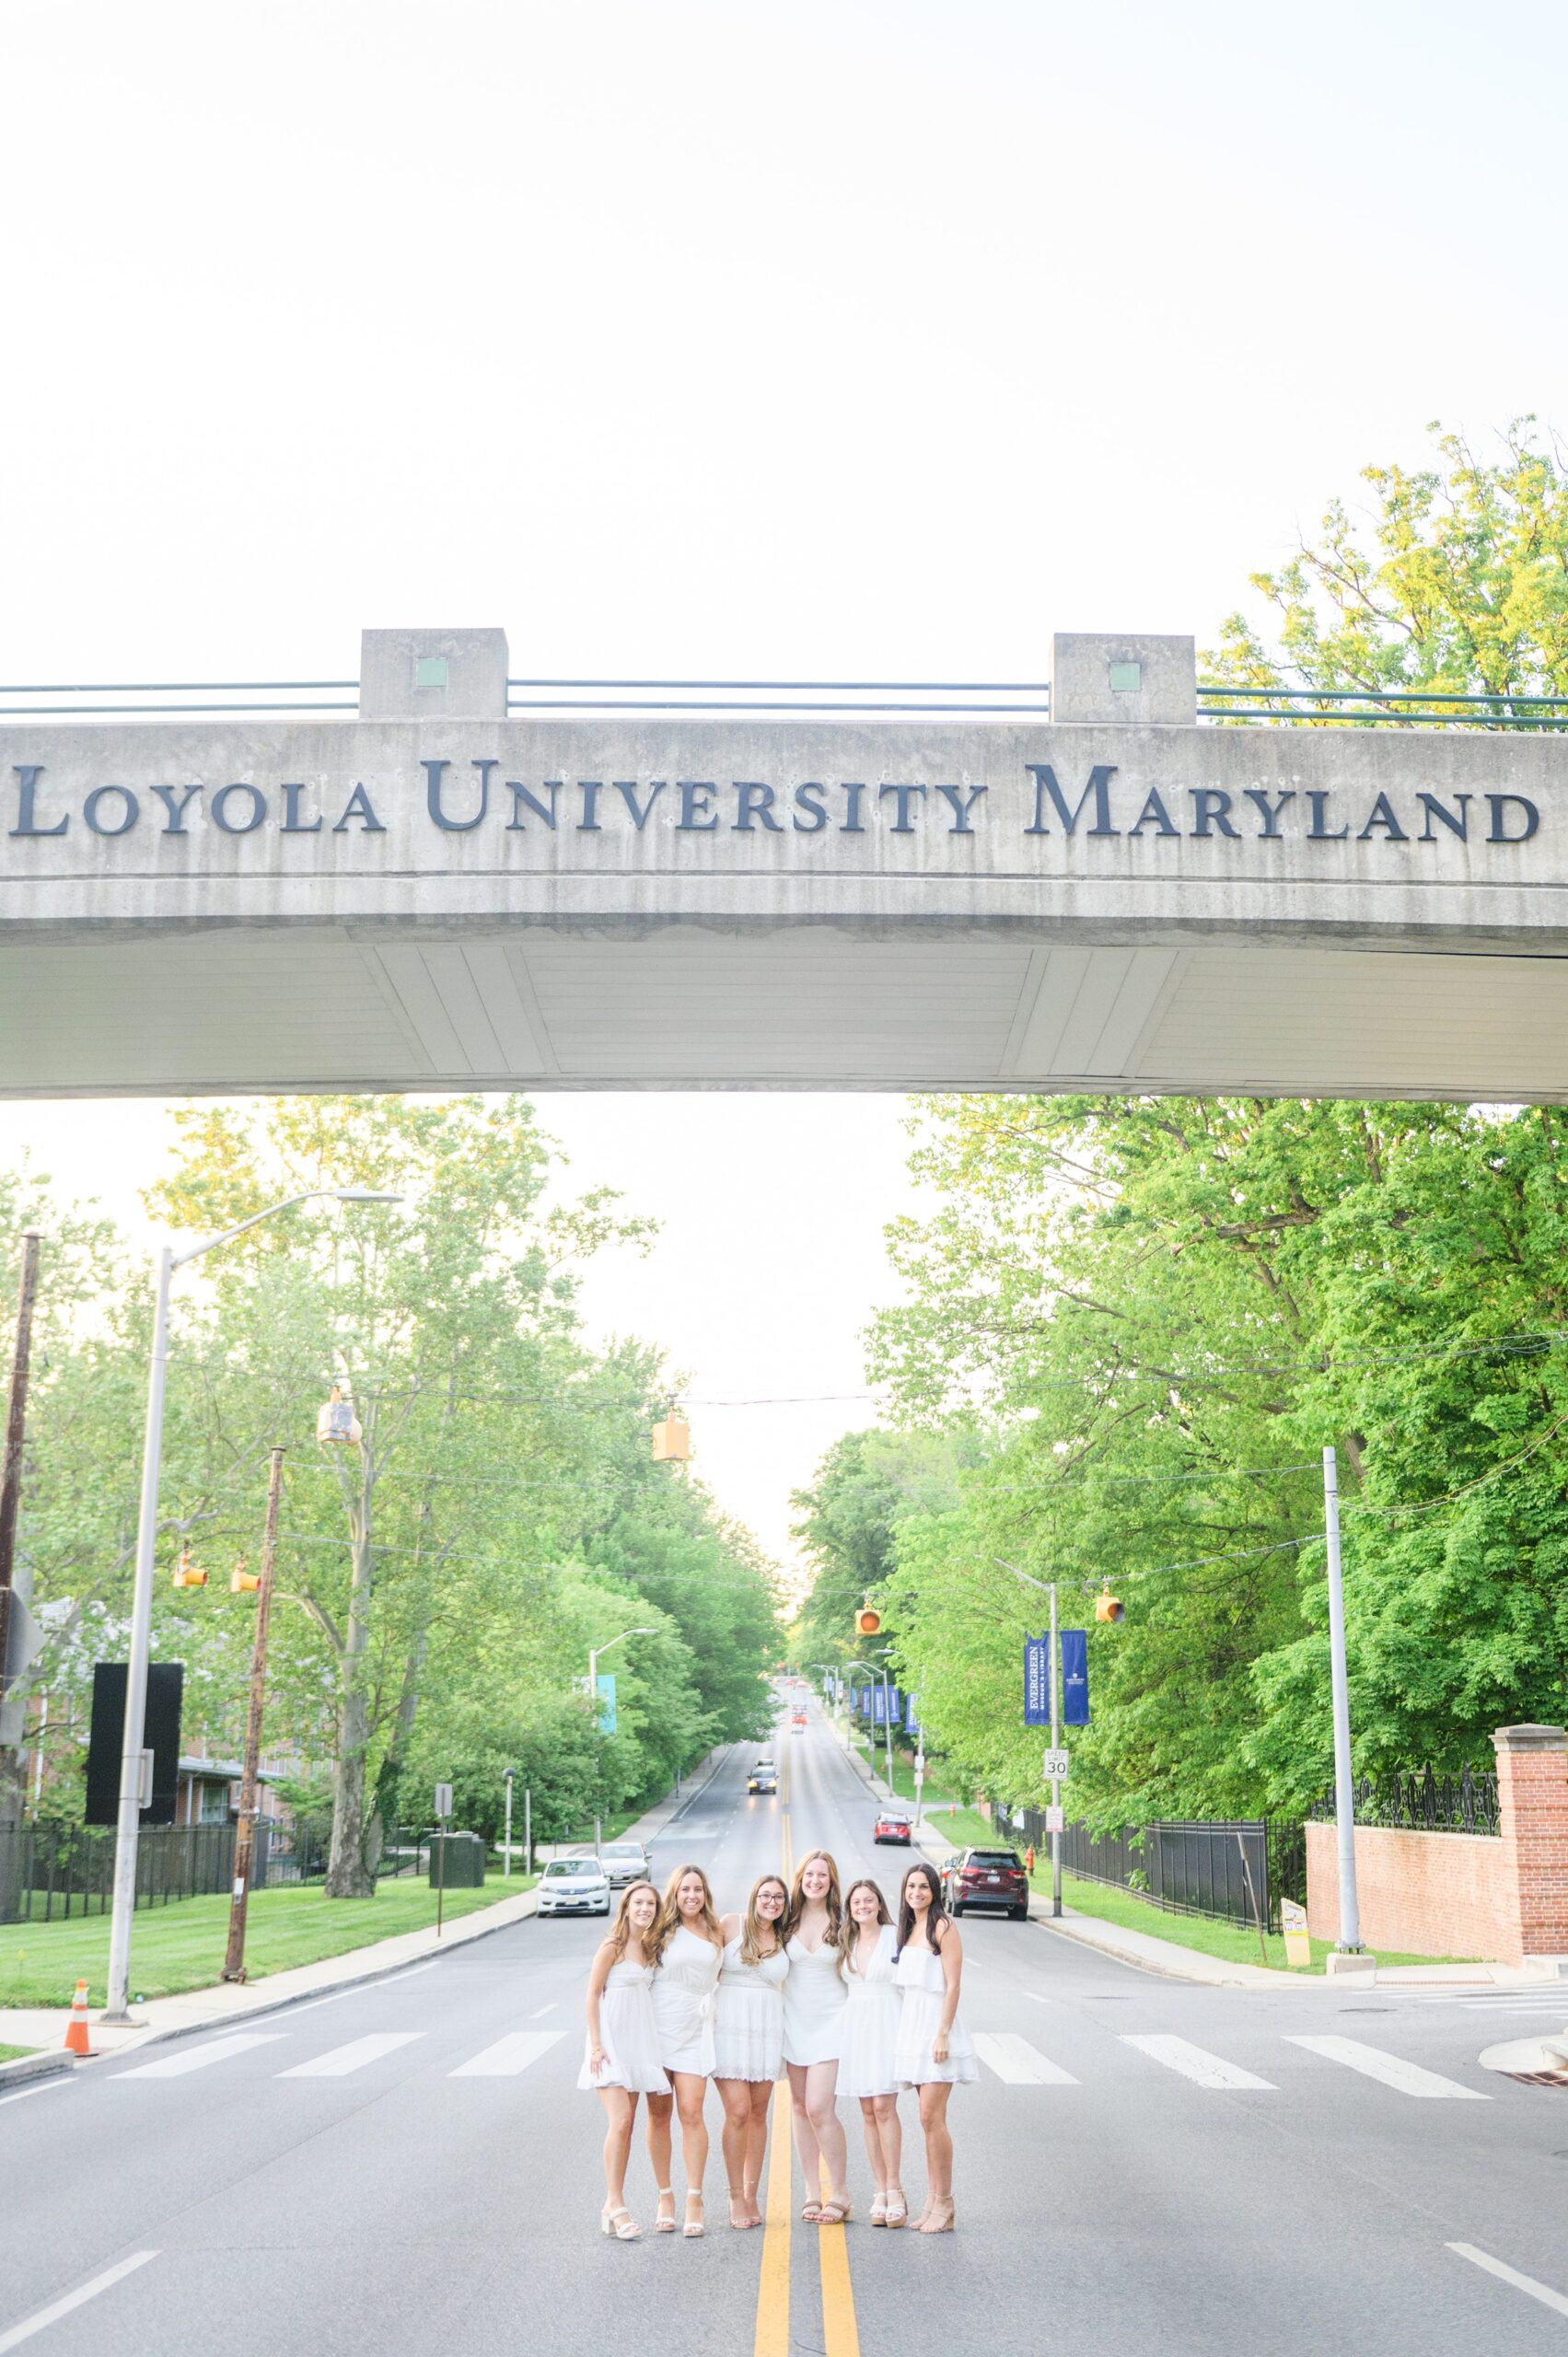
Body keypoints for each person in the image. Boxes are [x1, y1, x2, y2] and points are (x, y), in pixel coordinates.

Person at [578, 1879, 670, 2239]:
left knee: (629, 2124)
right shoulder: (612, 1947)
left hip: (638, 2044)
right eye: (639, 1903)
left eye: (651, 1904)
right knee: (621, 2120)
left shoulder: (648, 1947)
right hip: (610, 2044)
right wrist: (597, 2045)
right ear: (626, 1907)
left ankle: (611, 2204)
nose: (645, 1909)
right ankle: (615, 2204)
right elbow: (591, 1995)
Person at [893, 1861, 976, 2233]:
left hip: (937, 2030)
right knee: (924, 2121)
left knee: (932, 2118)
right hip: (913, 2029)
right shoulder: (908, 1928)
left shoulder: (943, 1927)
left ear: (934, 1891)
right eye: (911, 1887)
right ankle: (931, 2200)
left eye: (923, 1887)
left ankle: (945, 2202)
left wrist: (942, 2033)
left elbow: (954, 1984)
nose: (916, 1893)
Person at [647, 1861, 725, 2237]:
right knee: (658, 2116)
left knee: (692, 2112)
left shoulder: (716, 1931)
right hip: (659, 2026)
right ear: (674, 1894)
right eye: (685, 1890)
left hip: (696, 2028)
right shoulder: (658, 1930)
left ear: (705, 1894)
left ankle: (695, 2197)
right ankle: (666, 2196)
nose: (691, 1896)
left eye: (697, 1890)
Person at [714, 1873, 790, 2229]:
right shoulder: (731, 1924)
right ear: (754, 1896)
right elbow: (701, 1965)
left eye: (778, 1898)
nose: (771, 1902)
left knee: (760, 2115)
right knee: (739, 2112)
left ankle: (751, 2195)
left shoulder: (783, 1936)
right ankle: (733, 2196)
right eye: (765, 1896)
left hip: (766, 2030)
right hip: (728, 2028)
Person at [781, 1848, 852, 2224]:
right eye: (809, 1875)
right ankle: (811, 2190)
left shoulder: (843, 1920)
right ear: (801, 1878)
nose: (815, 1881)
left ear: (831, 1880)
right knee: (797, 2107)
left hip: (833, 2022)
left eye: (822, 1875)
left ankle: (839, 2189)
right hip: (794, 2021)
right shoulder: (787, 1919)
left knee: (819, 2108)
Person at [836, 1878, 906, 2227]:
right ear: (849, 1908)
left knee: (884, 2106)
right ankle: (879, 2189)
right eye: (856, 1902)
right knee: (866, 2109)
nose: (862, 1906)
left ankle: (895, 2188)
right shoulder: (844, 1941)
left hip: (888, 2023)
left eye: (868, 1900)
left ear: (879, 1903)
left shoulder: (896, 1936)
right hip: (857, 2026)